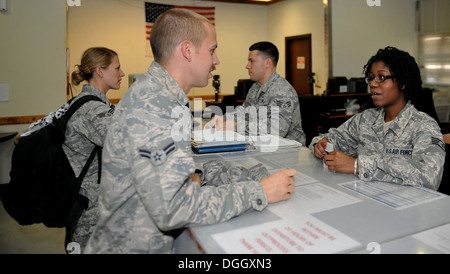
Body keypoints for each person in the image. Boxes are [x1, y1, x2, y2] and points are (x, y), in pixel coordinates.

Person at [84, 9, 296, 254]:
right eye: (212, 50)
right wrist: (259, 191)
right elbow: (174, 209)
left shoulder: (161, 97)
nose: (216, 61)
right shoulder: (153, 105)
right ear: (187, 51)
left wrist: (191, 178)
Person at [309, 46, 445, 191]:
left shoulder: (424, 126)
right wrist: (320, 145)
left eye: (381, 77)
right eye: (371, 78)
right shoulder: (365, 119)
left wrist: (358, 166)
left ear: (403, 83)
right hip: (365, 199)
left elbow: (429, 177)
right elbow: (329, 138)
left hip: (404, 207)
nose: (373, 84)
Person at [64, 47, 125, 251]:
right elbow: (126, 144)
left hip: (90, 203)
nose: (122, 73)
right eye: (117, 68)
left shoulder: (89, 103)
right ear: (100, 71)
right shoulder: (92, 109)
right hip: (90, 211)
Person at [208, 41, 306, 145]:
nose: (247, 66)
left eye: (252, 61)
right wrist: (223, 118)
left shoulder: (282, 91)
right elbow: (244, 112)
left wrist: (236, 126)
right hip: (264, 148)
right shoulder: (256, 87)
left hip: (288, 152)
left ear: (267, 62)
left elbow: (276, 131)